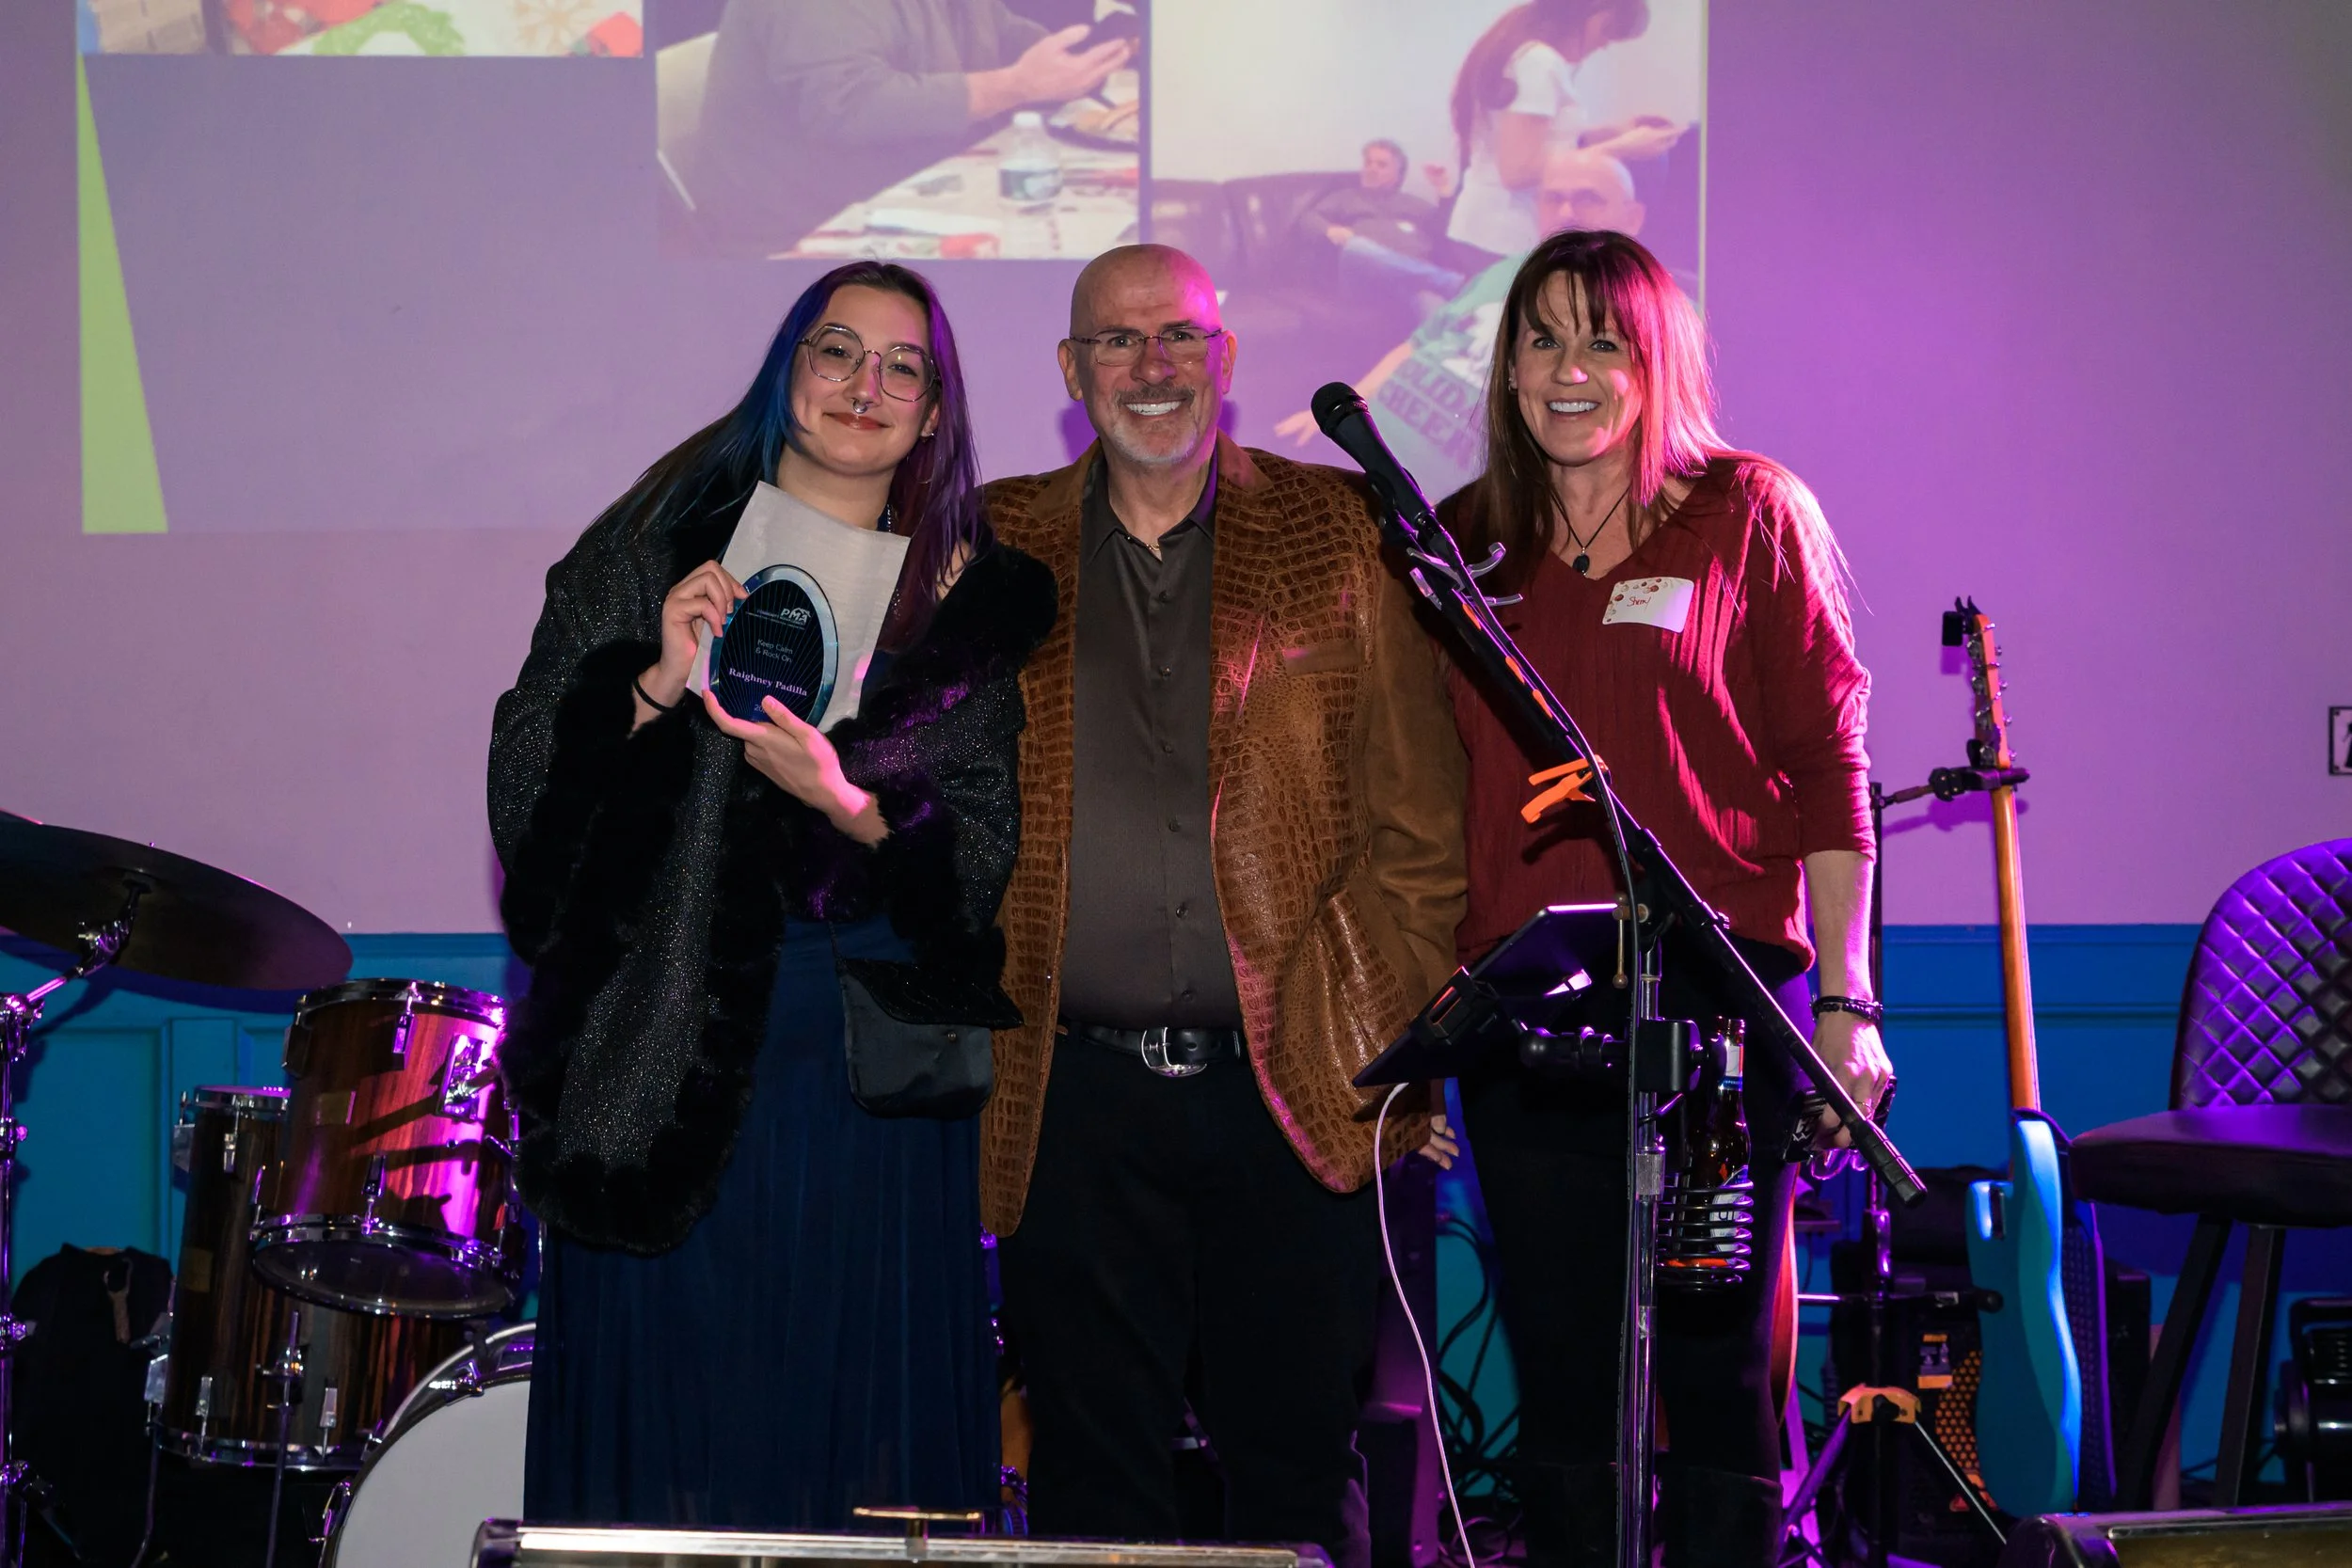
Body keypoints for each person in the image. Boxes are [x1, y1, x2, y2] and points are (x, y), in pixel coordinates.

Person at [487, 261, 1057, 1528]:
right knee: (676, 1453)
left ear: (932, 411)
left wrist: (848, 803)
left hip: (867, 1091)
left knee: (851, 1450)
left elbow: (983, 868)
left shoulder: (965, 600)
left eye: (902, 366)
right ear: (786, 374)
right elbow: (527, 806)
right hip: (660, 1062)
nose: (867, 385)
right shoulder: (648, 548)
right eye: (838, 352)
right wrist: (644, 687)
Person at [981, 244, 1467, 1567]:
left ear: (1227, 359)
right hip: (1068, 1102)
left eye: (1181, 337)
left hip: (1295, 1088)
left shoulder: (1340, 529)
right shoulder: (991, 541)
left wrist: (1375, 1039)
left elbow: (1420, 831)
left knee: (1300, 1476)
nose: (1154, 366)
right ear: (1072, 372)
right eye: (1120, 341)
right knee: (1094, 1486)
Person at [1436, 229, 1893, 1566]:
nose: (1567, 368)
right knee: (1566, 1370)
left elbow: (1830, 762)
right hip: (1527, 999)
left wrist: (1851, 1001)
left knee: (1713, 1368)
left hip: (1718, 996)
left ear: (1655, 363)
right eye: (1540, 336)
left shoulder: (1744, 511)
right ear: (1507, 360)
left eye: (1603, 340)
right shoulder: (1460, 542)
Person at [1273, 144, 1645, 504]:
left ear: (1632, 217)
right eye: (1553, 198)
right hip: (1361, 448)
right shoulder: (1505, 270)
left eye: (1588, 198)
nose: (1567, 212)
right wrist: (1348, 413)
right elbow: (1416, 345)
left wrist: (1462, 512)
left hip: (1423, 505)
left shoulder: (1649, 312)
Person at [692, 0, 1132, 255]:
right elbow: (846, 105)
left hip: (913, 197)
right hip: (806, 234)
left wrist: (1079, 60)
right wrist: (1017, 85)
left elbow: (1001, 34)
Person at [1441, 0, 1678, 267]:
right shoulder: (1540, 62)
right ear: (1590, 14)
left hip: (1485, 228)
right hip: (1504, 234)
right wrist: (1623, 147)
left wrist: (1610, 134)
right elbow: (1518, 171)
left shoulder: (1525, 54)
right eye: (1607, 32)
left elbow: (1545, 143)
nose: (1603, 46)